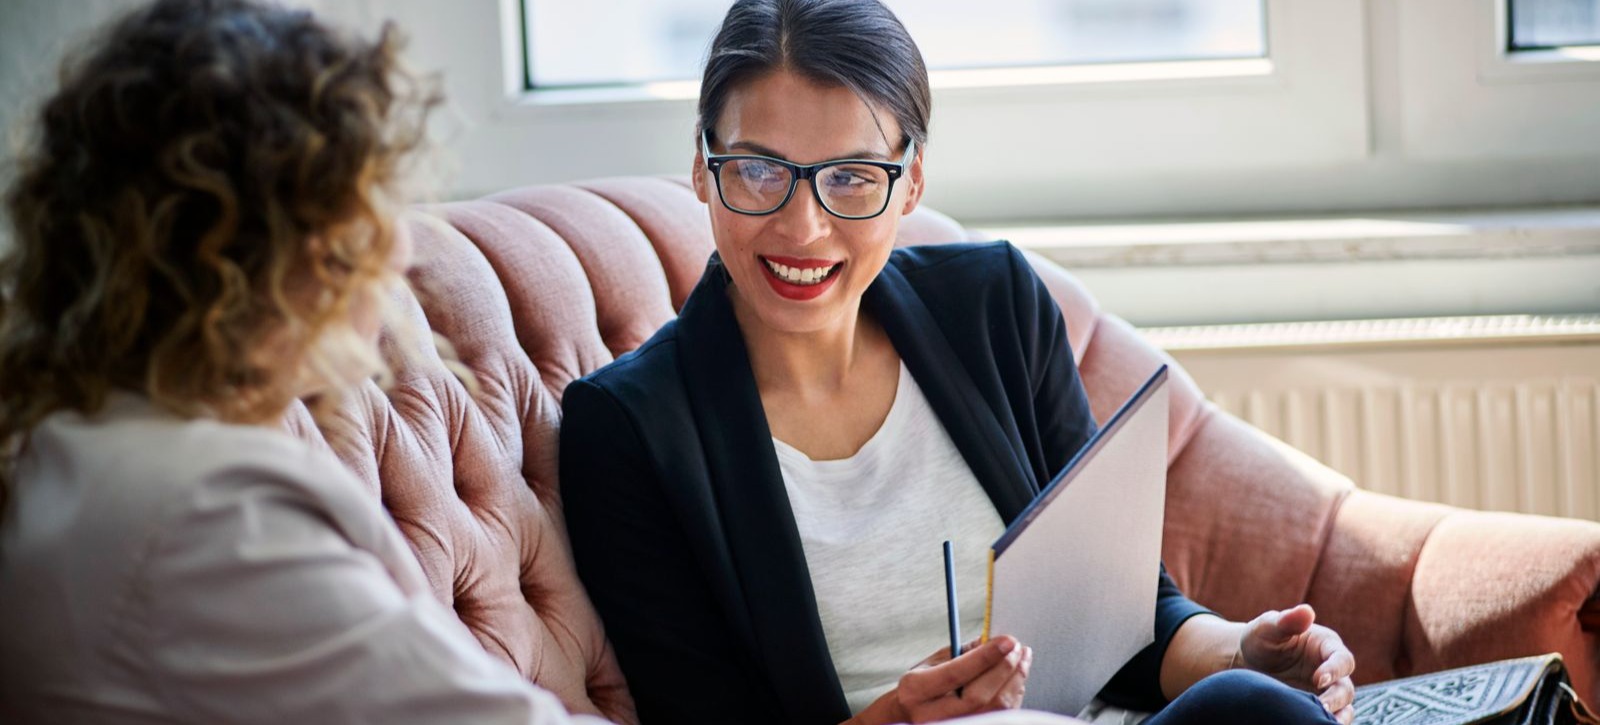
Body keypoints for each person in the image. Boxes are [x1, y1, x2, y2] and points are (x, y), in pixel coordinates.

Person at [558, 1, 1358, 724]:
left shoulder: (995, 306)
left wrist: (1239, 650)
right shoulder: (628, 428)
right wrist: (899, 718)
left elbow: (1123, 618)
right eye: (760, 170)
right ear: (702, 166)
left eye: (851, 178)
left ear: (910, 185)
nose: (802, 228)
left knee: (1249, 701)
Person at [0, 1, 604, 722]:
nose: (398, 249)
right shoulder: (208, 514)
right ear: (257, 252)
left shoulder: (74, 435)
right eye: (370, 203)